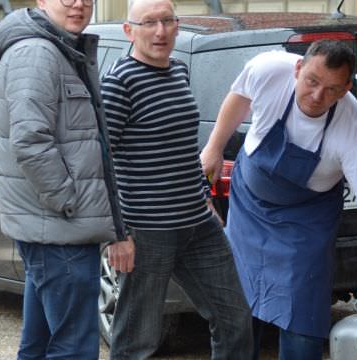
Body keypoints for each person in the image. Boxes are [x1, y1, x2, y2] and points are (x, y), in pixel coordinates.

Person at [200, 40, 357, 360]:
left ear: (345, 90)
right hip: (249, 209)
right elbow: (239, 96)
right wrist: (214, 147)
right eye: (312, 82)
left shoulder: (351, 128)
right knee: (236, 313)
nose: (317, 97)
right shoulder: (269, 69)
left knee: (302, 321)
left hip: (306, 221)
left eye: (331, 90)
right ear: (298, 69)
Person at [100, 0, 253, 358]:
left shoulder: (179, 72)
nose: (160, 31)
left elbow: (186, 150)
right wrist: (115, 233)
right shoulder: (119, 83)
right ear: (129, 31)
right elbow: (100, 162)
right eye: (149, 23)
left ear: (177, 25)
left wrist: (204, 198)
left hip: (198, 225)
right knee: (137, 340)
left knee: (235, 319)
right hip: (147, 231)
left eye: (167, 21)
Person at [0, 1, 134, 358]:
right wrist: (69, 200)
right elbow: (30, 141)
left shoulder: (58, 47)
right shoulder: (36, 53)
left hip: (54, 228)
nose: (79, 4)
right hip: (59, 229)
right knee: (75, 348)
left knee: (38, 346)